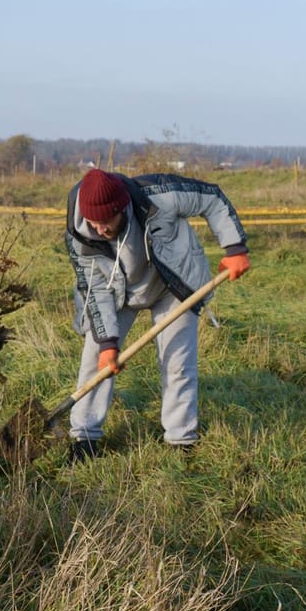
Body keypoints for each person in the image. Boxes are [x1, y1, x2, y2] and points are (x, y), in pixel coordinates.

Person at [64, 168, 250, 462]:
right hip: (117, 293)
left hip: (171, 284)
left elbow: (212, 198)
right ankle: (84, 438)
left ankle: (181, 439)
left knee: (178, 361)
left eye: (106, 222)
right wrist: (109, 344)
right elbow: (94, 289)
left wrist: (235, 247)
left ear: (121, 206)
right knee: (95, 360)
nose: (100, 230)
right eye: (93, 223)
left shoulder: (161, 196)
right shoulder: (80, 236)